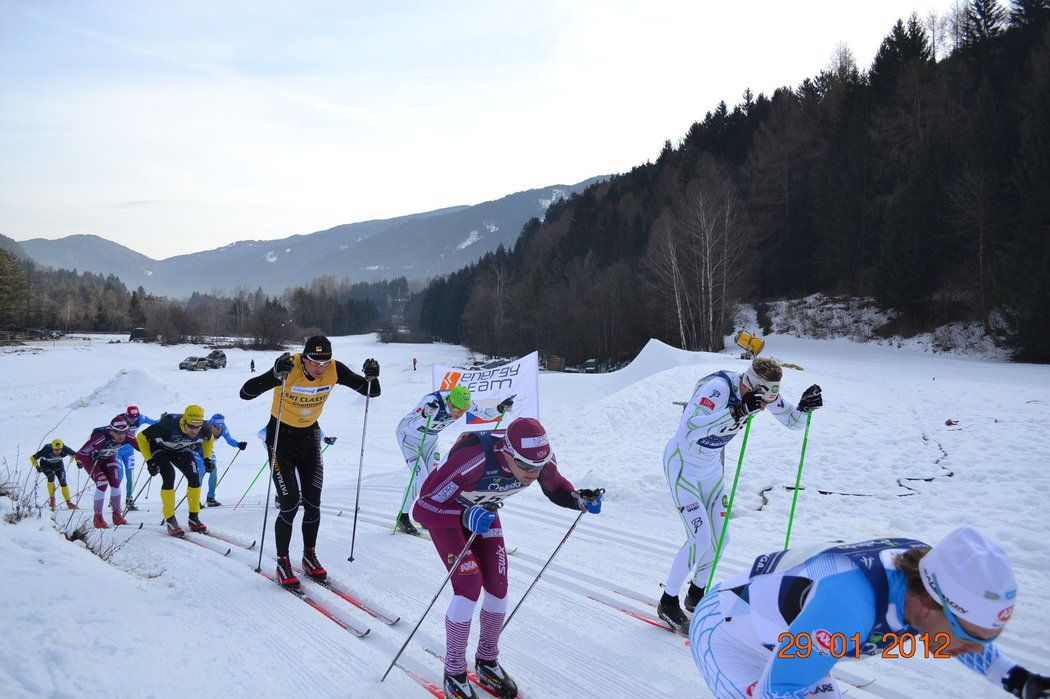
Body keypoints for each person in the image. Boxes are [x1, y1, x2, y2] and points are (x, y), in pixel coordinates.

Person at [690, 526, 1050, 698]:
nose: (976, 649)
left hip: (793, 641)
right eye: (972, 638)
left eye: (985, 639)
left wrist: (1018, 680)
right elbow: (777, 692)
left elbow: (968, 632)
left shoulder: (929, 575)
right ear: (929, 603)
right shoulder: (848, 608)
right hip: (727, 636)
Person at [413, 417, 604, 699]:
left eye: (538, 466)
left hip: (484, 512)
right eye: (525, 466)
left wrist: (578, 499)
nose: (531, 473)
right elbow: (422, 510)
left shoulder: (537, 459)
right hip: (447, 515)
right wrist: (465, 515)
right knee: (468, 588)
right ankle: (454, 672)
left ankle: (487, 661)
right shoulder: (473, 459)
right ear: (507, 452)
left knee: (499, 587)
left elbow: (554, 485)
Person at [659, 357, 822, 634]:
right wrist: (734, 412)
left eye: (771, 397)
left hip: (710, 469)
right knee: (699, 538)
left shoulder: (763, 394)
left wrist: (805, 410)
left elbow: (792, 421)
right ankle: (668, 601)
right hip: (683, 465)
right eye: (763, 396)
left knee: (721, 538)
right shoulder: (718, 388)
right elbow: (691, 428)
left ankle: (696, 594)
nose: (766, 403)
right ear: (749, 383)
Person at [239, 335, 380, 589]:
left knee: (313, 501)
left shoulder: (335, 369)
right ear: (304, 358)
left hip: (309, 438)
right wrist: (273, 374)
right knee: (290, 501)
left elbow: (372, 391)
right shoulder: (289, 366)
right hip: (280, 438)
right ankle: (283, 560)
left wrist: (372, 375)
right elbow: (245, 393)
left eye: (325, 362)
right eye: (315, 361)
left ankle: (309, 554)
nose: (320, 367)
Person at [394, 385, 513, 536]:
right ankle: (402, 518)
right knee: (421, 479)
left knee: (435, 480)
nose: (459, 415)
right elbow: (408, 423)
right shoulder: (432, 402)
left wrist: (500, 408)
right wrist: (424, 415)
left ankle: (425, 513)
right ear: (449, 402)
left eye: (463, 412)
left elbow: (484, 414)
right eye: (456, 410)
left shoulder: (464, 403)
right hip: (409, 439)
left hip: (429, 440)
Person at [136, 405, 212, 536]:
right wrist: (149, 461)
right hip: (160, 449)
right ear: (184, 421)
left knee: (195, 477)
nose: (195, 431)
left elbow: (209, 439)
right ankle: (170, 519)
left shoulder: (204, 428)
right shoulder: (168, 424)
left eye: (197, 427)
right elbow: (141, 437)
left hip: (181, 450)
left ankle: (194, 518)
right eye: (191, 427)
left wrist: (207, 458)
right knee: (169, 475)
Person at [76, 416, 137, 528]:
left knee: (116, 482)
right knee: (102, 483)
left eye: (123, 432)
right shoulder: (101, 437)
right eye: (117, 432)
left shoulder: (128, 436)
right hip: (92, 461)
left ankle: (116, 515)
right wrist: (92, 454)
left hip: (109, 458)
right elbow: (80, 454)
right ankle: (98, 517)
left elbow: (141, 447)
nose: (121, 435)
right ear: (111, 430)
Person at [194, 413, 247, 507]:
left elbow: (230, 440)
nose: (219, 431)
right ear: (211, 425)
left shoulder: (223, 428)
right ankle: (195, 499)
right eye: (217, 428)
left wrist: (238, 444)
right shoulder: (203, 427)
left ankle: (211, 498)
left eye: (220, 428)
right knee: (201, 470)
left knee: (213, 471)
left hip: (208, 449)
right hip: (195, 449)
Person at [31, 439, 78, 510]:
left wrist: (79, 462)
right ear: (52, 448)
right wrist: (37, 467)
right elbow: (32, 458)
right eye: (55, 450)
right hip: (46, 465)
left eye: (59, 450)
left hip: (58, 465)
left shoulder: (65, 449)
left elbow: (77, 455)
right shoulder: (46, 449)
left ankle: (69, 502)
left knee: (63, 482)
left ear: (62, 448)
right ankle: (52, 499)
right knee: (51, 477)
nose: (57, 452)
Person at [116, 405, 143, 510]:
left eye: (136, 418)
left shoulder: (141, 418)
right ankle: (115, 498)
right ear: (126, 415)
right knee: (119, 475)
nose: (133, 420)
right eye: (131, 418)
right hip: (117, 451)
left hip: (129, 451)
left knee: (130, 475)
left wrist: (162, 419)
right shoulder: (119, 419)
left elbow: (154, 422)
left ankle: (129, 499)